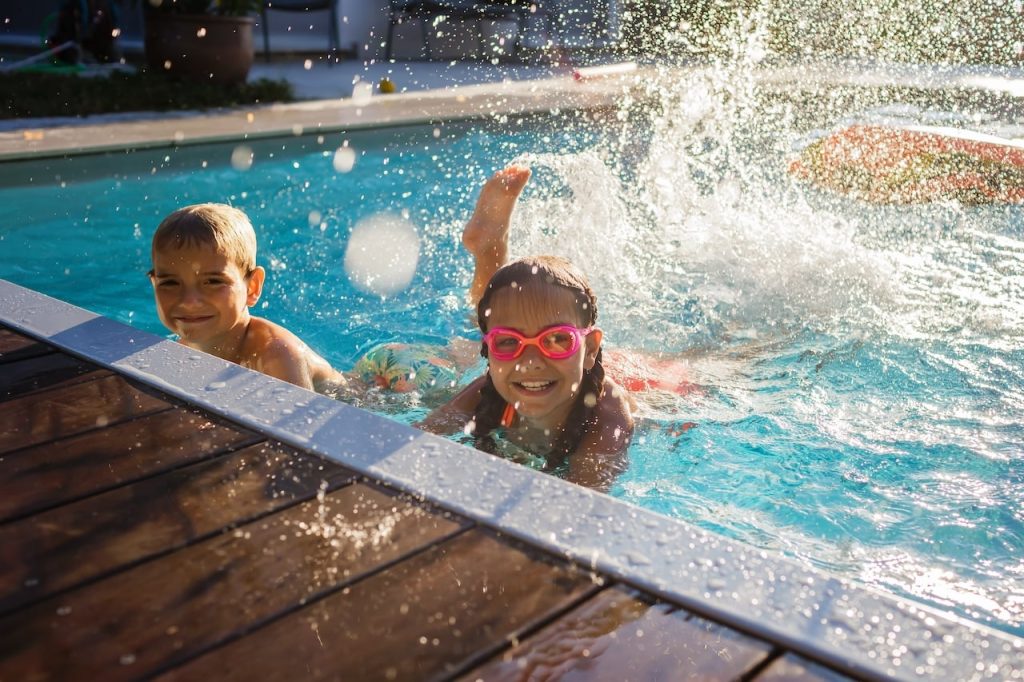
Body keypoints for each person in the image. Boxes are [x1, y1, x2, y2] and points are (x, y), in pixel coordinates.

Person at [419, 167, 635, 491]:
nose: (530, 361)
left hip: (648, 381)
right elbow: (412, 445)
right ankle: (489, 251)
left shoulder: (608, 415)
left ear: (590, 349)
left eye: (556, 339)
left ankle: (490, 252)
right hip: (560, 362)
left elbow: (581, 504)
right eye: (508, 343)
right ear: (489, 351)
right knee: (497, 316)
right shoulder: (488, 389)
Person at [149, 203, 348, 393]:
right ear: (154, 284)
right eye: (170, 283)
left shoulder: (278, 354)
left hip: (360, 397)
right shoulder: (178, 351)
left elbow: (303, 424)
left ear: (252, 287)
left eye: (212, 282)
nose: (189, 301)